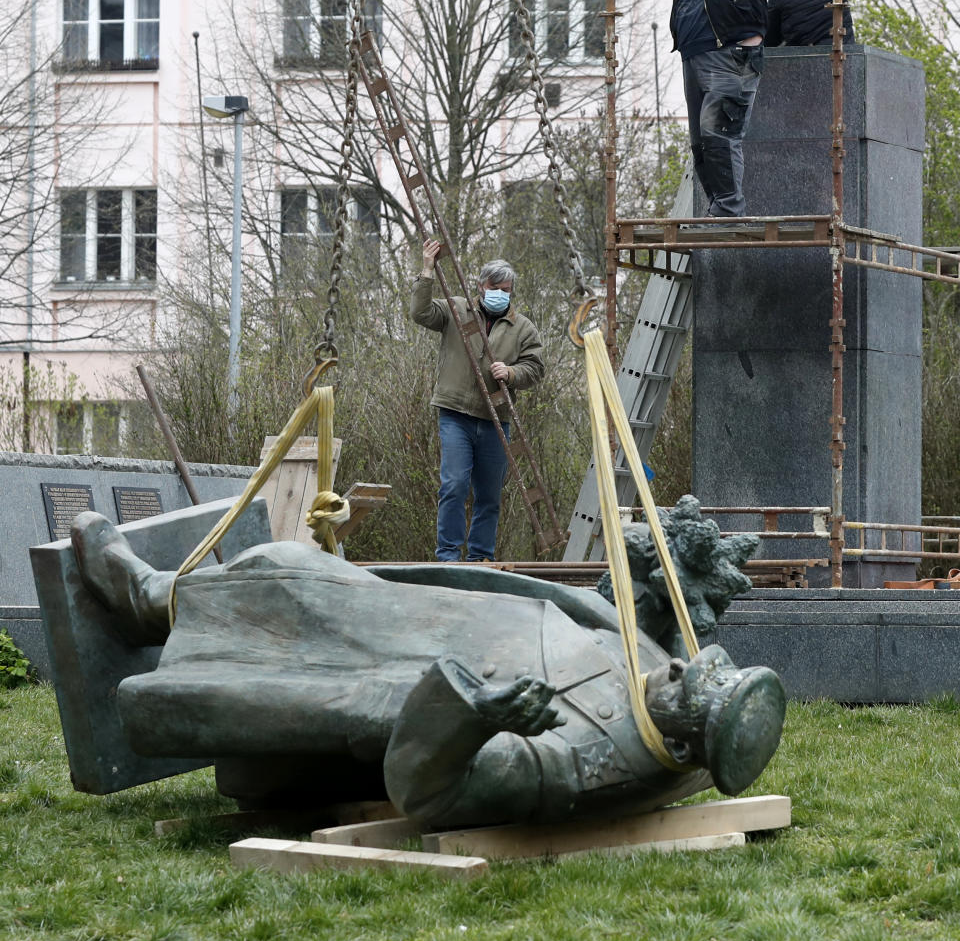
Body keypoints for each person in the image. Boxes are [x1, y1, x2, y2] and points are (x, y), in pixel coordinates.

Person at [69, 511, 787, 828]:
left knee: (279, 578)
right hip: (424, 616)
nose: (683, 669)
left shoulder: (578, 762)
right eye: (698, 666)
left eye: (690, 684)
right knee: (293, 569)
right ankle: (156, 600)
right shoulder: (659, 681)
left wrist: (475, 713)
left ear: (684, 738)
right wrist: (664, 583)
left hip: (388, 663)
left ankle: (146, 599)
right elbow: (609, 628)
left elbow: (431, 793)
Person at [602, 0, 770, 217]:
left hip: (731, 55)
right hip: (695, 55)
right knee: (701, 143)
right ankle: (718, 208)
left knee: (719, 132)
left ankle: (728, 211)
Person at [411, 240, 544, 563]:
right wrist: (427, 271)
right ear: (481, 285)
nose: (500, 293)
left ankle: (480, 558)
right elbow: (420, 312)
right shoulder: (456, 310)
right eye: (495, 287)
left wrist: (511, 373)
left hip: (496, 419)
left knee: (489, 494)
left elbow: (536, 367)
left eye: (507, 289)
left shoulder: (522, 327)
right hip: (455, 413)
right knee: (454, 484)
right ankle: (448, 556)